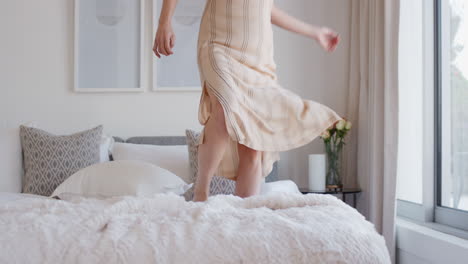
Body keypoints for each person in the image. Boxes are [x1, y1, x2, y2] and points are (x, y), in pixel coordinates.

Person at [154, 0, 342, 202]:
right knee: (225, 107)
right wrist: (164, 22)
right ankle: (201, 193)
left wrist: (314, 32)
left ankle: (245, 211)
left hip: (258, 57)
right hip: (219, 42)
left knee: (253, 143)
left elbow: (267, 8)